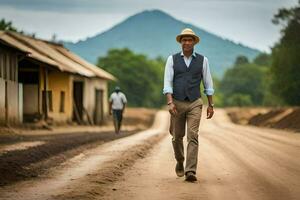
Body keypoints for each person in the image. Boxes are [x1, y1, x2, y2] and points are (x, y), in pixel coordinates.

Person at [163, 28, 215, 182]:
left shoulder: (203, 60)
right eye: (184, 40)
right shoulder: (171, 60)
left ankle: (190, 170)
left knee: (193, 136)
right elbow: (167, 83)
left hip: (195, 102)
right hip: (177, 103)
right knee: (176, 137)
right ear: (181, 42)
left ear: (194, 43)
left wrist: (210, 105)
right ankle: (180, 160)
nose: (187, 42)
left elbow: (208, 83)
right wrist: (170, 102)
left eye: (189, 40)